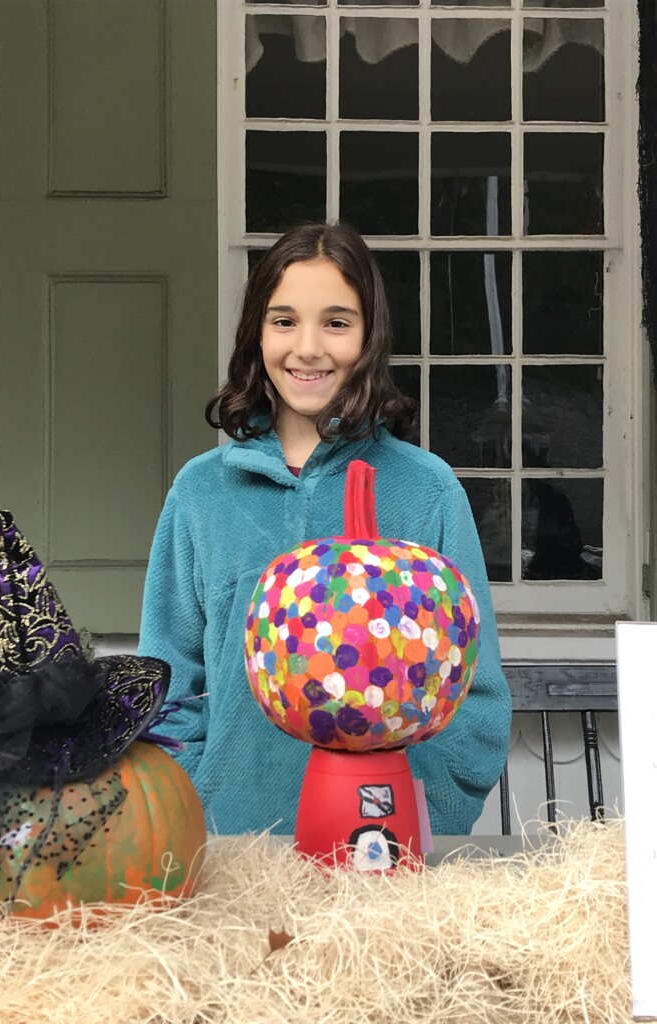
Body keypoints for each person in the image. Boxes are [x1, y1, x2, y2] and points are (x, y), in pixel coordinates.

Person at [138, 222, 512, 836]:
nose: (307, 348)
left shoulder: (427, 491)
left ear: (369, 336)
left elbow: (476, 695)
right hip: (232, 858)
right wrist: (197, 807)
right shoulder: (201, 494)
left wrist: (422, 817)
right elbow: (166, 681)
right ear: (256, 334)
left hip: (382, 858)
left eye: (336, 323)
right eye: (284, 321)